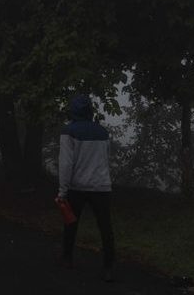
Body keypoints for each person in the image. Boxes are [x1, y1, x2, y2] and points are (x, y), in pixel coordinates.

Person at [56, 94, 115, 282]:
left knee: (71, 223)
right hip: (102, 187)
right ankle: (108, 268)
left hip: (77, 187)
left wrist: (62, 191)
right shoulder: (103, 132)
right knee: (105, 227)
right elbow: (106, 158)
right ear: (90, 111)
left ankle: (67, 258)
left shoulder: (69, 132)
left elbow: (66, 164)